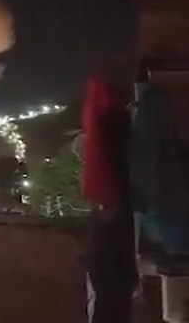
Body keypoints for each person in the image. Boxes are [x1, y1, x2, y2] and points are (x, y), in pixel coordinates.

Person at [81, 69, 138, 323]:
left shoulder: (99, 120)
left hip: (107, 206)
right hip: (112, 206)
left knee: (108, 286)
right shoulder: (112, 121)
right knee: (113, 287)